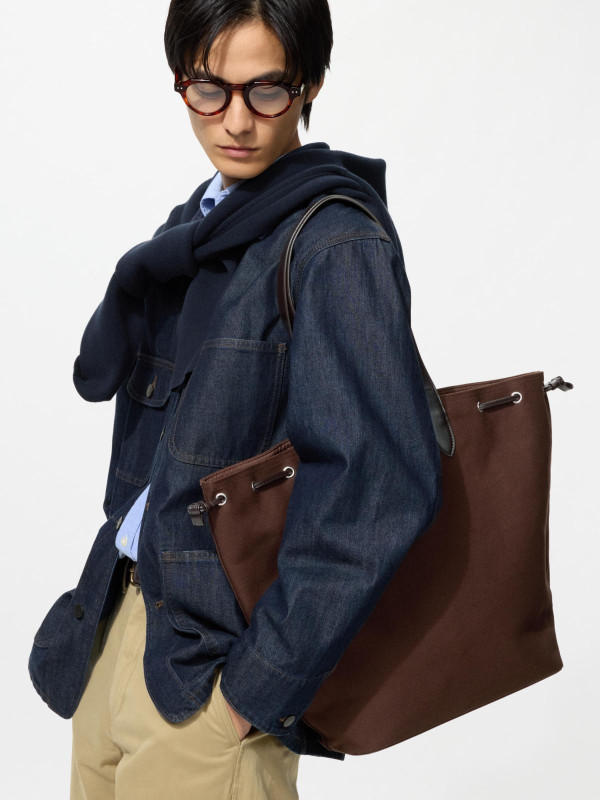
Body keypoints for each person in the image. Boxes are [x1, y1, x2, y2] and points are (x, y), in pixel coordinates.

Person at [27, 1, 442, 798]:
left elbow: (378, 488)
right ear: (181, 81)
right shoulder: (197, 225)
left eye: (267, 90)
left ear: (309, 84)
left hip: (210, 681)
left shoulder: (336, 243)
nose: (238, 121)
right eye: (211, 89)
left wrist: (255, 690)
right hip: (115, 634)